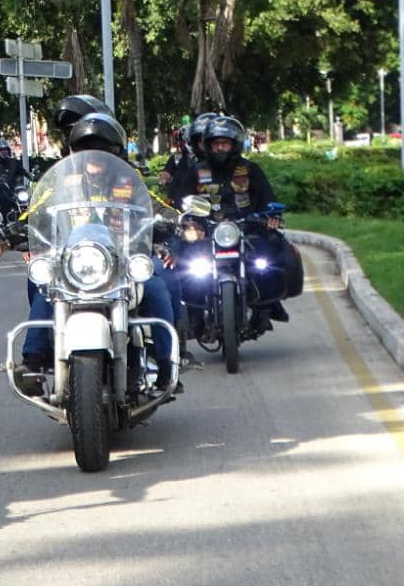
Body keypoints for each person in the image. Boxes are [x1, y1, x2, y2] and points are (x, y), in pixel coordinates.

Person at [16, 112, 181, 397]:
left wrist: (178, 220)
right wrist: (16, 229)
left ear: (115, 151)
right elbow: (36, 210)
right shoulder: (62, 182)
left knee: (156, 287)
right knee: (43, 286)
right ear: (74, 151)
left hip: (125, 259)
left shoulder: (130, 181)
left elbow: (155, 204)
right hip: (76, 261)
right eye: (85, 148)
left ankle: (168, 365)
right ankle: (34, 360)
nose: (93, 155)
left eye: (101, 148)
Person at [169, 114, 304, 333]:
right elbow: (181, 202)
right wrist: (189, 221)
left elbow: (267, 198)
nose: (220, 148)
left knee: (271, 254)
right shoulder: (196, 171)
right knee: (184, 260)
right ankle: (193, 313)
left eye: (225, 143)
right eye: (216, 143)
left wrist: (270, 216)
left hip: (248, 229)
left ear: (234, 145)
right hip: (206, 231)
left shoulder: (250, 170)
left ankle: (266, 307)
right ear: (208, 145)